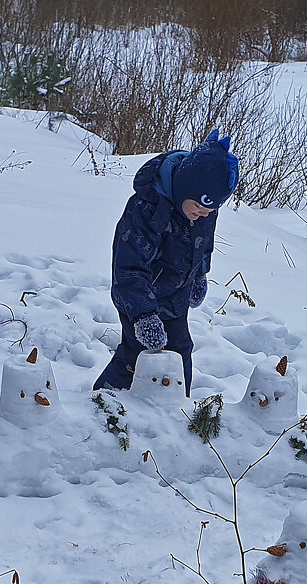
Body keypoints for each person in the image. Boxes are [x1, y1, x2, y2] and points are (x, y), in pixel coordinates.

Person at [93, 129, 239, 396]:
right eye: (200, 206)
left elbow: (203, 244)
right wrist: (144, 316)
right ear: (185, 188)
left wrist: (199, 275)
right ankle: (104, 399)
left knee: (180, 350)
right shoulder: (146, 210)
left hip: (176, 295)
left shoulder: (203, 210)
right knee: (136, 354)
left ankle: (176, 406)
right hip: (139, 299)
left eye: (211, 210)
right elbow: (128, 268)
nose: (204, 214)